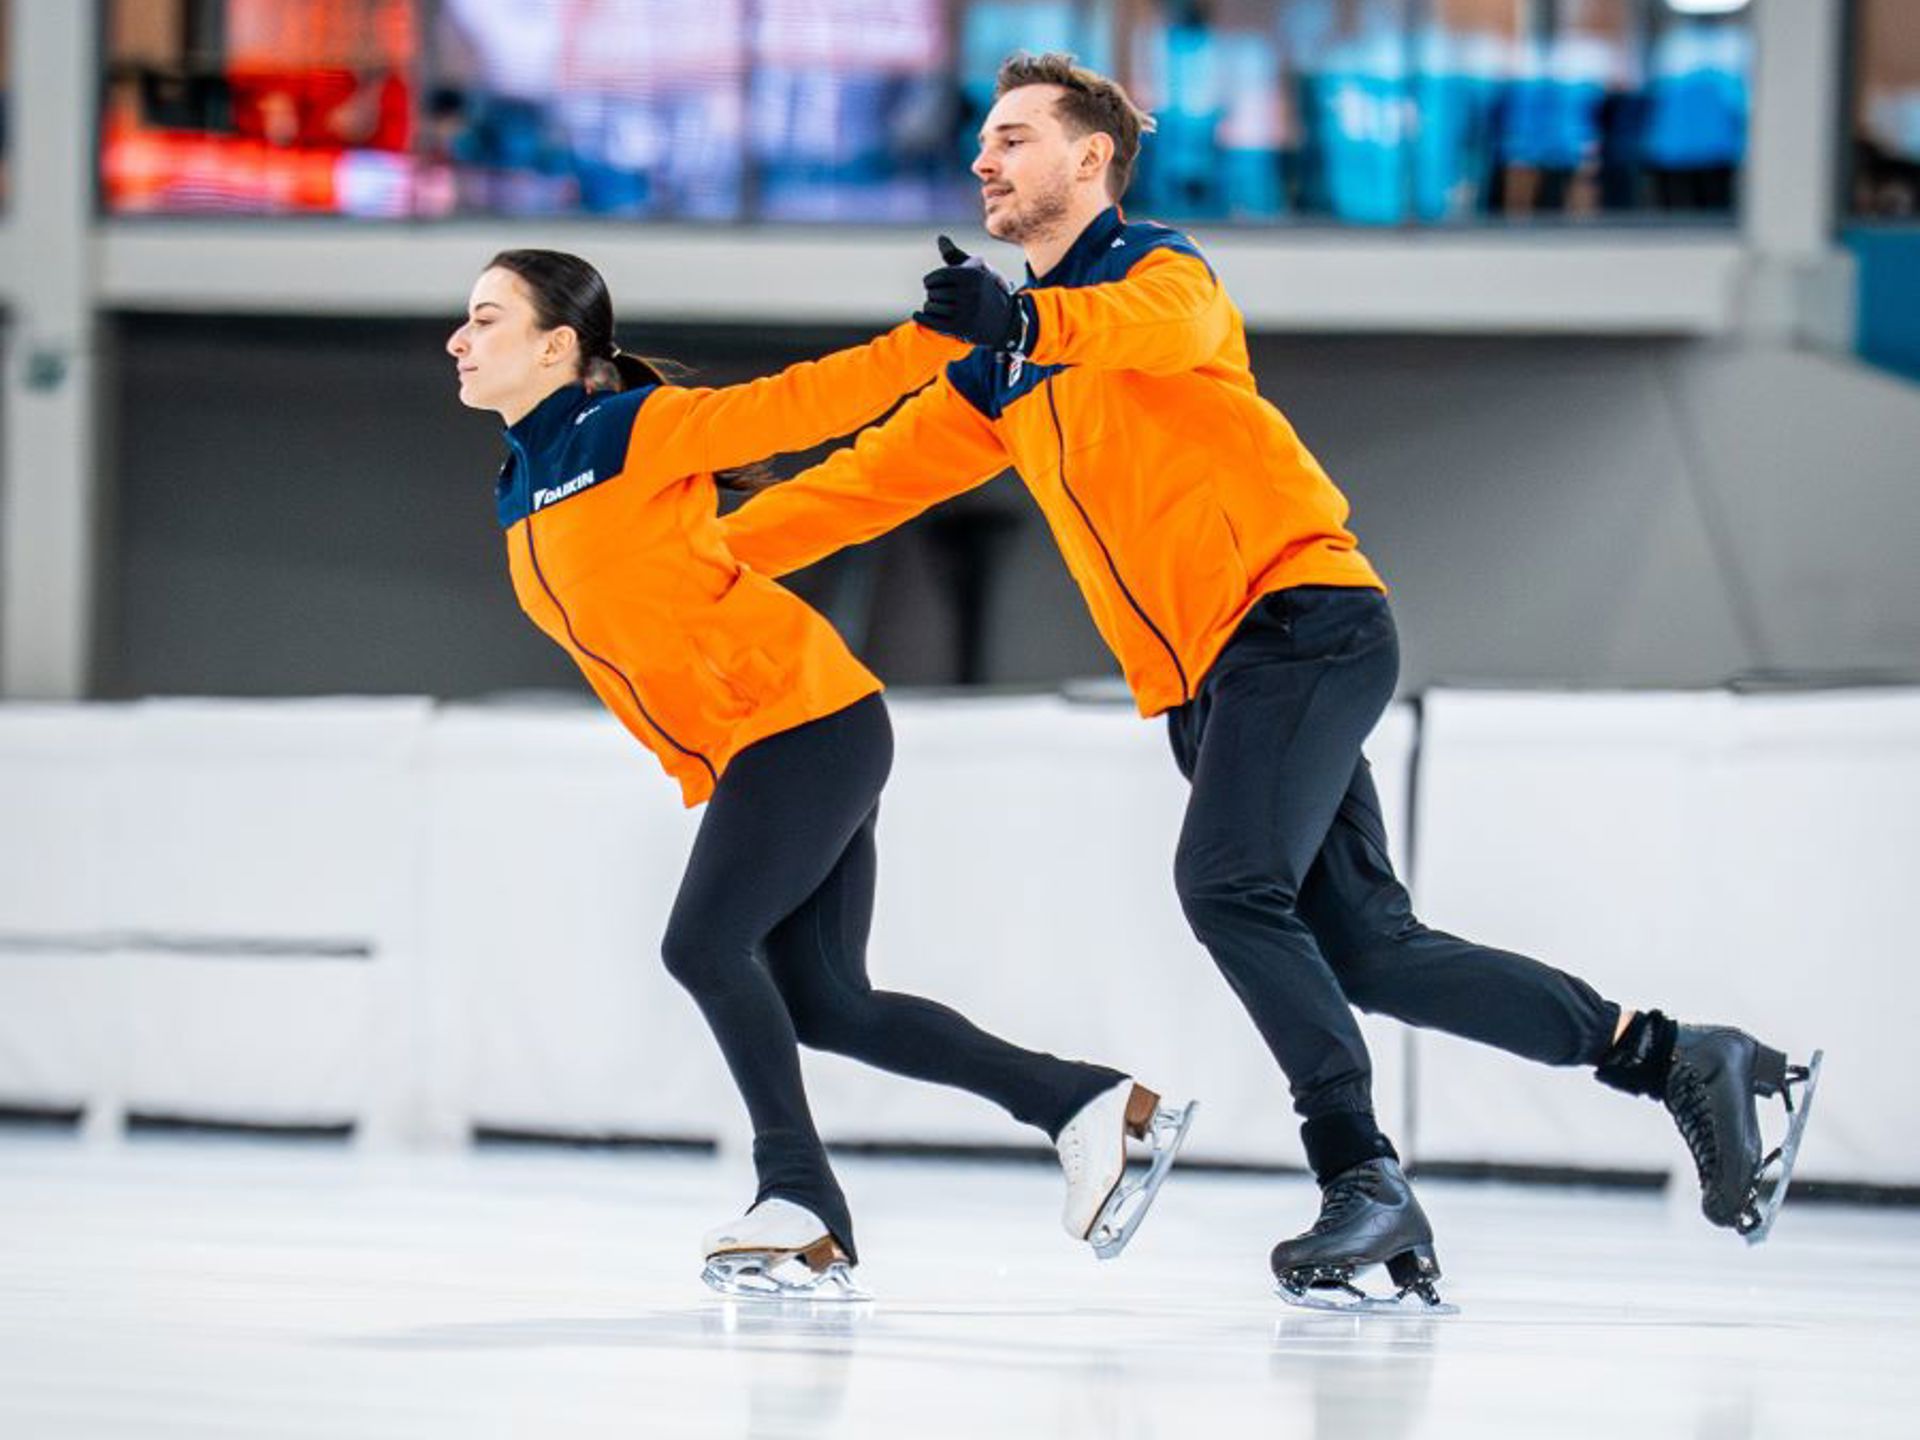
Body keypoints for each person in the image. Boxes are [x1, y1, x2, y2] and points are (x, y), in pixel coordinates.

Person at [718, 54, 1821, 1311]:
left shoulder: (1154, 272)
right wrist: (689, 556)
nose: (986, 159)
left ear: (1091, 160)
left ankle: (1359, 1176)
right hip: (1216, 680)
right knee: (1373, 951)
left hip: (1299, 622)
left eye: (1014, 138)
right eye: (984, 142)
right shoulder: (1003, 375)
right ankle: (1678, 1059)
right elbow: (862, 482)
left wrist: (1025, 318)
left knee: (1229, 886)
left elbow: (1160, 330)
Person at [448, 247, 1195, 1299]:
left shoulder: (627, 431)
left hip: (801, 723)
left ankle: (799, 1200)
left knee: (703, 944)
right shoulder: (516, 484)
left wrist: (939, 337)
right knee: (829, 1004)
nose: (460, 339)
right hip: (771, 737)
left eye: (485, 319)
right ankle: (1086, 1105)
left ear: (557, 346)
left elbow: (800, 404)